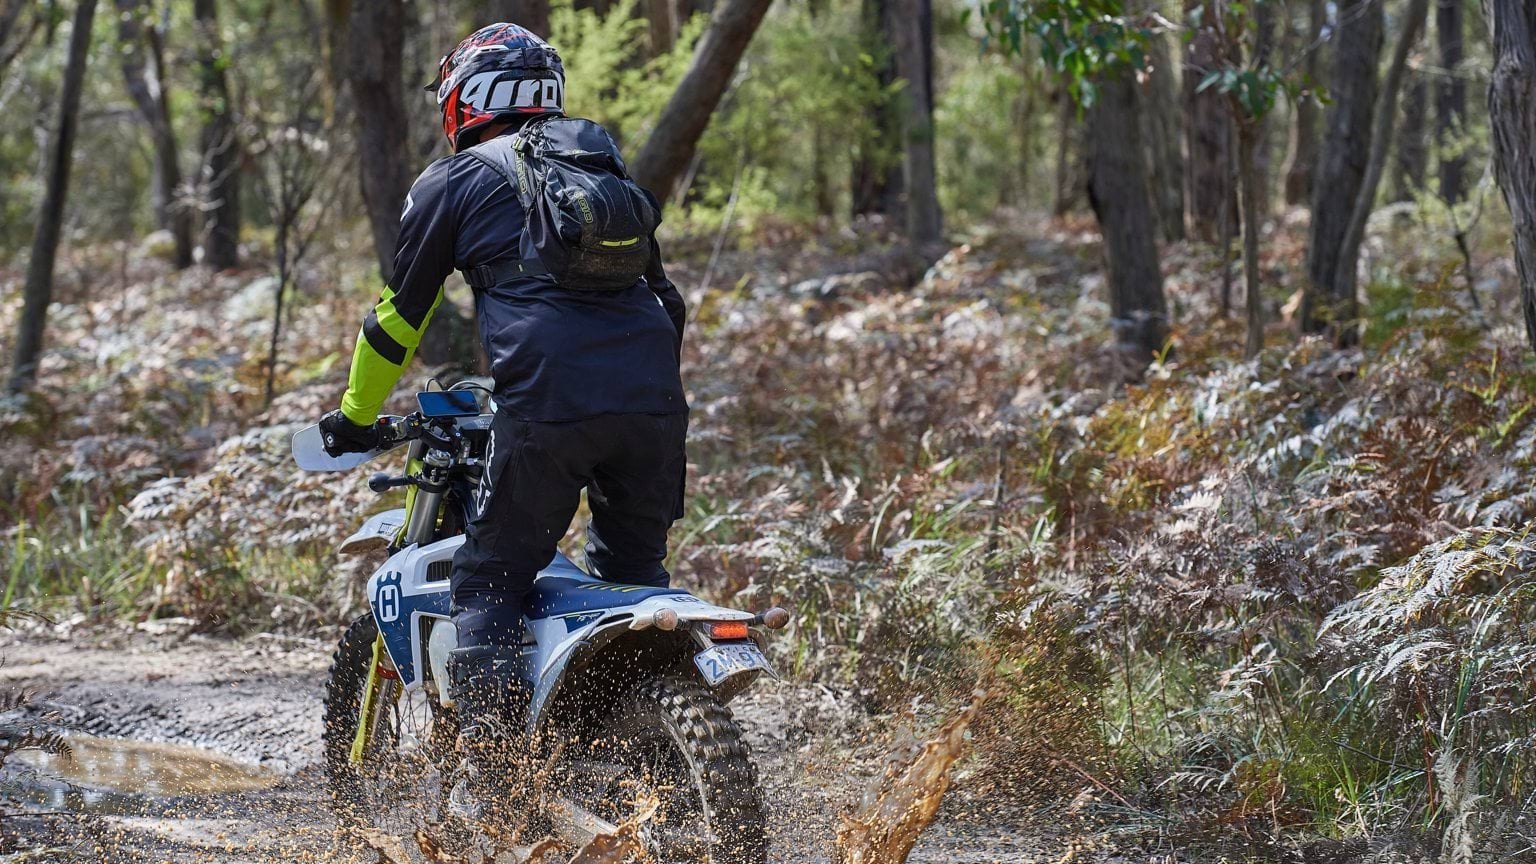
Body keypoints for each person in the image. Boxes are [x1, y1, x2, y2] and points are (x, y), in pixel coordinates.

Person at [315, 23, 688, 819]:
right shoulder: (599, 164)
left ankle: (499, 789)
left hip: (548, 407)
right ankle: (641, 763)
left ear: (467, 96)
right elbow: (665, 299)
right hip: (655, 405)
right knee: (629, 585)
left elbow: (396, 320)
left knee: (490, 580)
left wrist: (351, 417)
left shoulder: (453, 181)